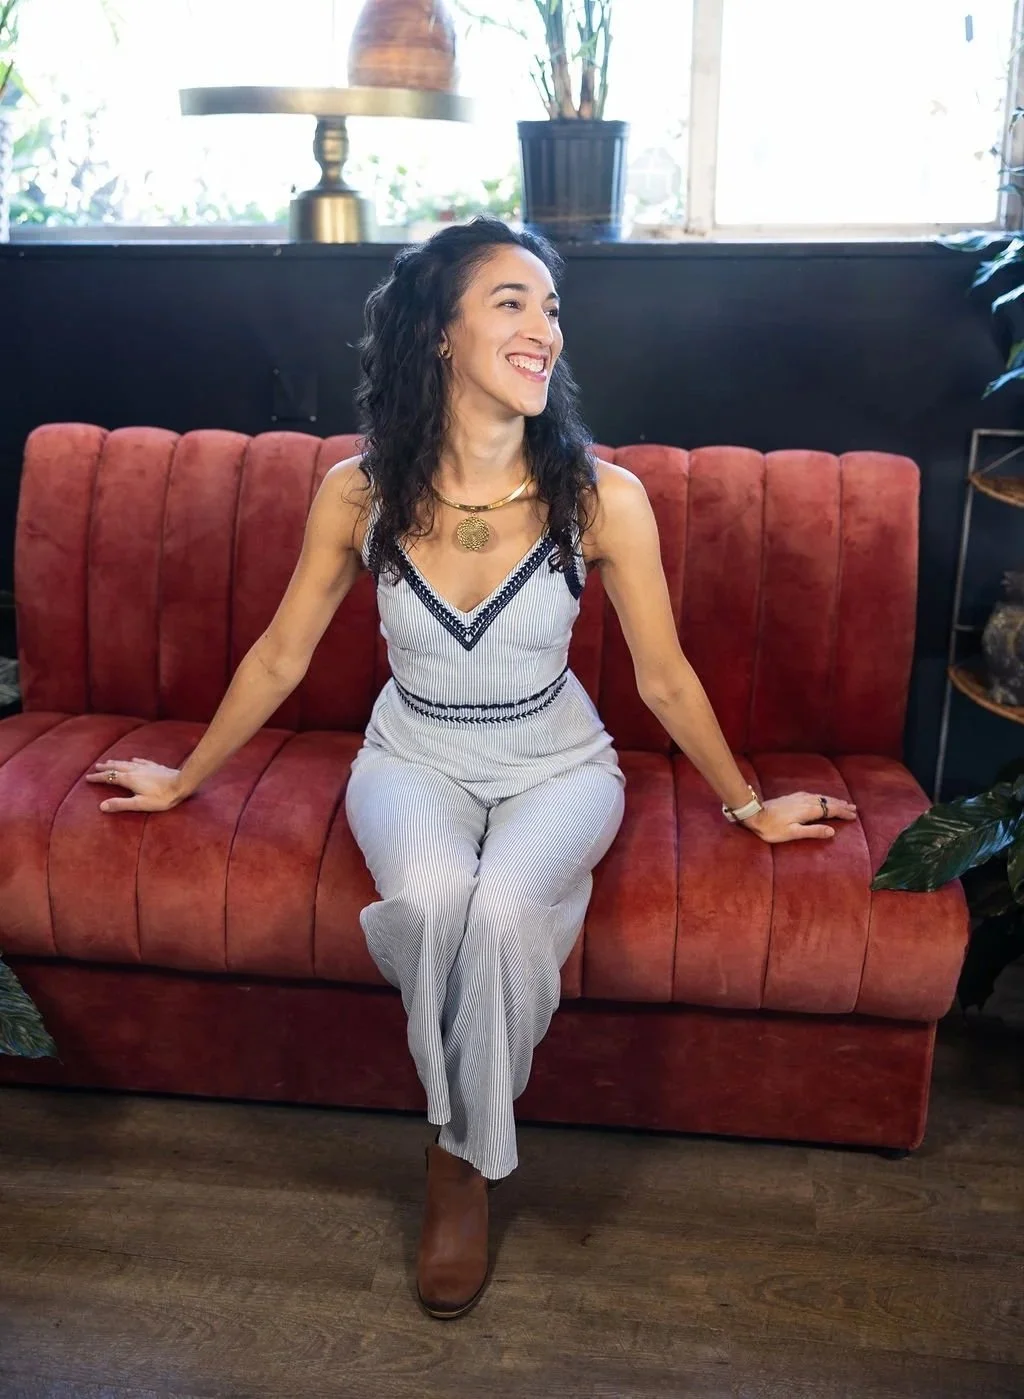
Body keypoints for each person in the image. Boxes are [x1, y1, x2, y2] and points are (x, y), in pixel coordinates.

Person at [85, 214, 859, 1322]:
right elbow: (281, 654)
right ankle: (466, 1139)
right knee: (434, 899)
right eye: (512, 302)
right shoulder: (357, 493)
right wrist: (184, 778)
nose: (546, 328)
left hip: (558, 764)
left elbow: (665, 678)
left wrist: (747, 806)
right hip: (413, 756)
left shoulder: (601, 497)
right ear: (441, 333)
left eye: (553, 307)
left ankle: (459, 1159)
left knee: (500, 914)